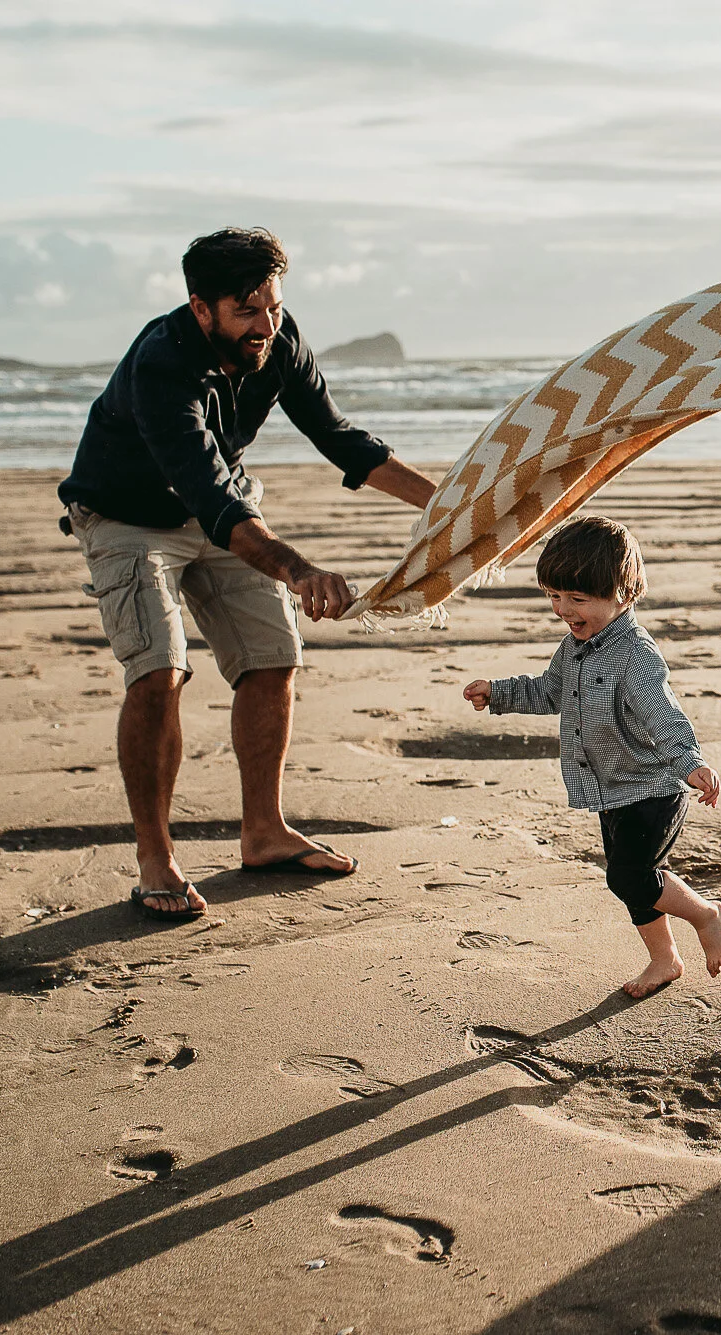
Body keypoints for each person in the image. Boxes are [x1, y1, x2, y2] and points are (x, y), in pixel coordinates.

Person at [58, 227, 439, 920]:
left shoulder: (280, 338)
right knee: (158, 668)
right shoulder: (162, 364)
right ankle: (155, 856)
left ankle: (263, 831)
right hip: (126, 516)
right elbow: (211, 500)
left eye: (272, 305)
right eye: (247, 311)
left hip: (224, 505)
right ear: (201, 308)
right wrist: (298, 569)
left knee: (272, 658)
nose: (266, 326)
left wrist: (447, 505)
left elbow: (340, 438)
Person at [462, 516, 721, 998]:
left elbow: (661, 713)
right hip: (610, 787)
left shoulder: (636, 655)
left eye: (577, 599)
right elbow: (549, 693)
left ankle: (707, 916)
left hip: (653, 787)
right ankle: (664, 960)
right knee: (630, 880)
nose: (563, 609)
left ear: (622, 595)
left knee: (629, 875)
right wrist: (498, 693)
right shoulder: (575, 647)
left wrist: (689, 761)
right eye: (554, 596)